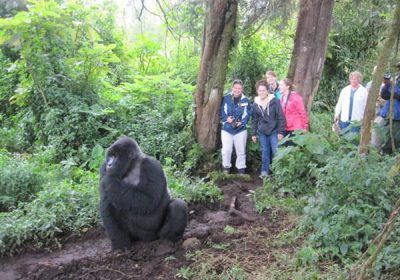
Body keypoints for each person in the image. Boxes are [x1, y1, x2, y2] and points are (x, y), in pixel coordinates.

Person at [251, 80, 286, 178]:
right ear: (257, 91)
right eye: (260, 90)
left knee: (276, 151)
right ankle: (264, 172)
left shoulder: (274, 101)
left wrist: (281, 132)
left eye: (263, 90)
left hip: (274, 131)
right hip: (262, 132)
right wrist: (253, 133)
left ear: (267, 91)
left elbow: (281, 116)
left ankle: (278, 172)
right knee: (265, 152)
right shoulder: (255, 103)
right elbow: (255, 119)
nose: (261, 92)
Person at [220, 79, 251, 174]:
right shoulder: (226, 98)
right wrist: (226, 119)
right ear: (232, 88)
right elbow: (221, 111)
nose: (237, 90)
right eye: (235, 88)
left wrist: (241, 122)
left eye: (239, 88)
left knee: (241, 150)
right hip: (227, 129)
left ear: (242, 89)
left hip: (240, 129)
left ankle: (241, 169)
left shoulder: (245, 100)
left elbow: (248, 113)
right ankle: (226, 168)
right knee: (226, 150)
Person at [379, 62, 400, 154]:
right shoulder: (395, 79)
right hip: (389, 112)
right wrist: (386, 84)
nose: (398, 69)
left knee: (395, 136)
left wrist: (391, 87)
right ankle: (384, 153)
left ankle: (389, 154)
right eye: (398, 67)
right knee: (384, 133)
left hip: (398, 114)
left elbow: (398, 94)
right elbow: (385, 96)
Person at [279, 78, 309, 143]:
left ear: (287, 86)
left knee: (294, 150)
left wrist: (305, 127)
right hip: (286, 128)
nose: (279, 87)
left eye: (281, 85)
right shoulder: (281, 98)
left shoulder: (296, 97)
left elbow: (302, 113)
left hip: (296, 129)